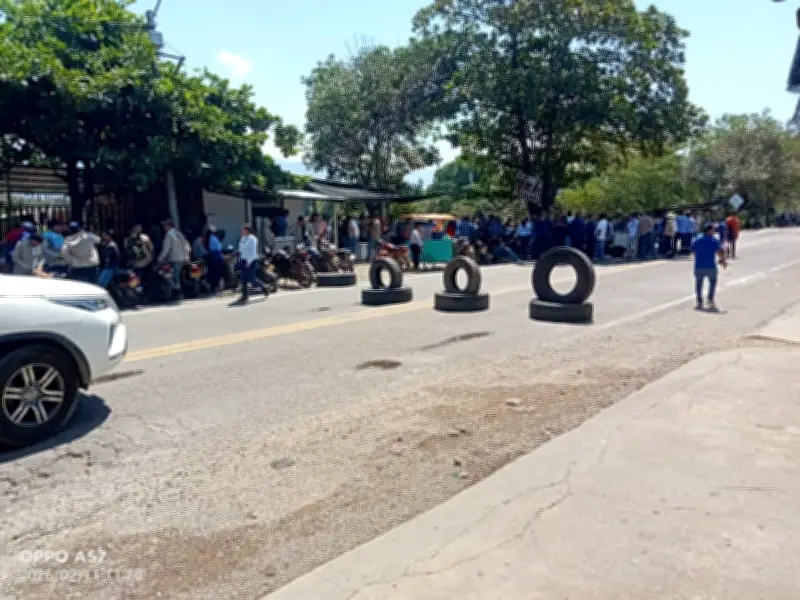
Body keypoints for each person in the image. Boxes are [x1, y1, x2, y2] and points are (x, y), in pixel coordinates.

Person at [692, 223, 727, 312]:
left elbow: (694, 251)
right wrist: (723, 261)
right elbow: (719, 251)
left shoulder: (697, 239)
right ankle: (710, 299)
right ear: (709, 230)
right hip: (710, 266)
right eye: (713, 229)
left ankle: (699, 302)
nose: (714, 231)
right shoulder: (713, 240)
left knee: (698, 284)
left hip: (698, 266)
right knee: (713, 282)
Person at [157, 219, 190, 297]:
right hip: (182, 258)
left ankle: (177, 293)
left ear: (168, 226)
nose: (164, 228)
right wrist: (187, 256)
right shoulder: (179, 233)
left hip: (174, 259)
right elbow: (187, 246)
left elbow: (166, 248)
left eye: (165, 226)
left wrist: (160, 258)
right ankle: (179, 292)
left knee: (174, 277)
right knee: (178, 276)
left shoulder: (169, 234)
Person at [236, 223, 268, 303]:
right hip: (243, 260)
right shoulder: (243, 238)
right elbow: (240, 249)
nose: (242, 231)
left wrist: (249, 261)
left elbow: (253, 251)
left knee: (251, 278)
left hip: (252, 260)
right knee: (243, 278)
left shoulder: (253, 239)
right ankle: (245, 296)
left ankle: (264, 287)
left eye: (243, 230)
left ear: (247, 230)